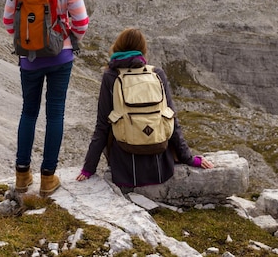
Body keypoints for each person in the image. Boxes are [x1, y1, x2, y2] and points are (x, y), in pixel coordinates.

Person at [4, 0, 89, 197]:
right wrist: (63, 36)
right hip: (60, 57)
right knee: (55, 114)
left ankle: (21, 176)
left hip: (28, 58)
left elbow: (8, 22)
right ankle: (48, 178)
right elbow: (82, 23)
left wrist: (31, 39)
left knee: (28, 112)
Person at [76, 28, 213, 189]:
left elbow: (102, 126)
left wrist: (88, 169)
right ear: (143, 49)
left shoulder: (111, 76)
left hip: (126, 171)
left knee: (112, 123)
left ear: (117, 47)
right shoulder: (157, 73)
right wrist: (189, 158)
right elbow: (172, 119)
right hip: (161, 169)